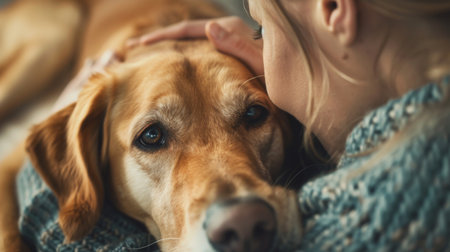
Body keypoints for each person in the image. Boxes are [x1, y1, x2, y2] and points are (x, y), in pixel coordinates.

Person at [17, 0, 450, 251]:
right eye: (153, 136)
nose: (252, 45)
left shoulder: (421, 178)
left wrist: (40, 192)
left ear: (334, 7)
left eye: (261, 30)